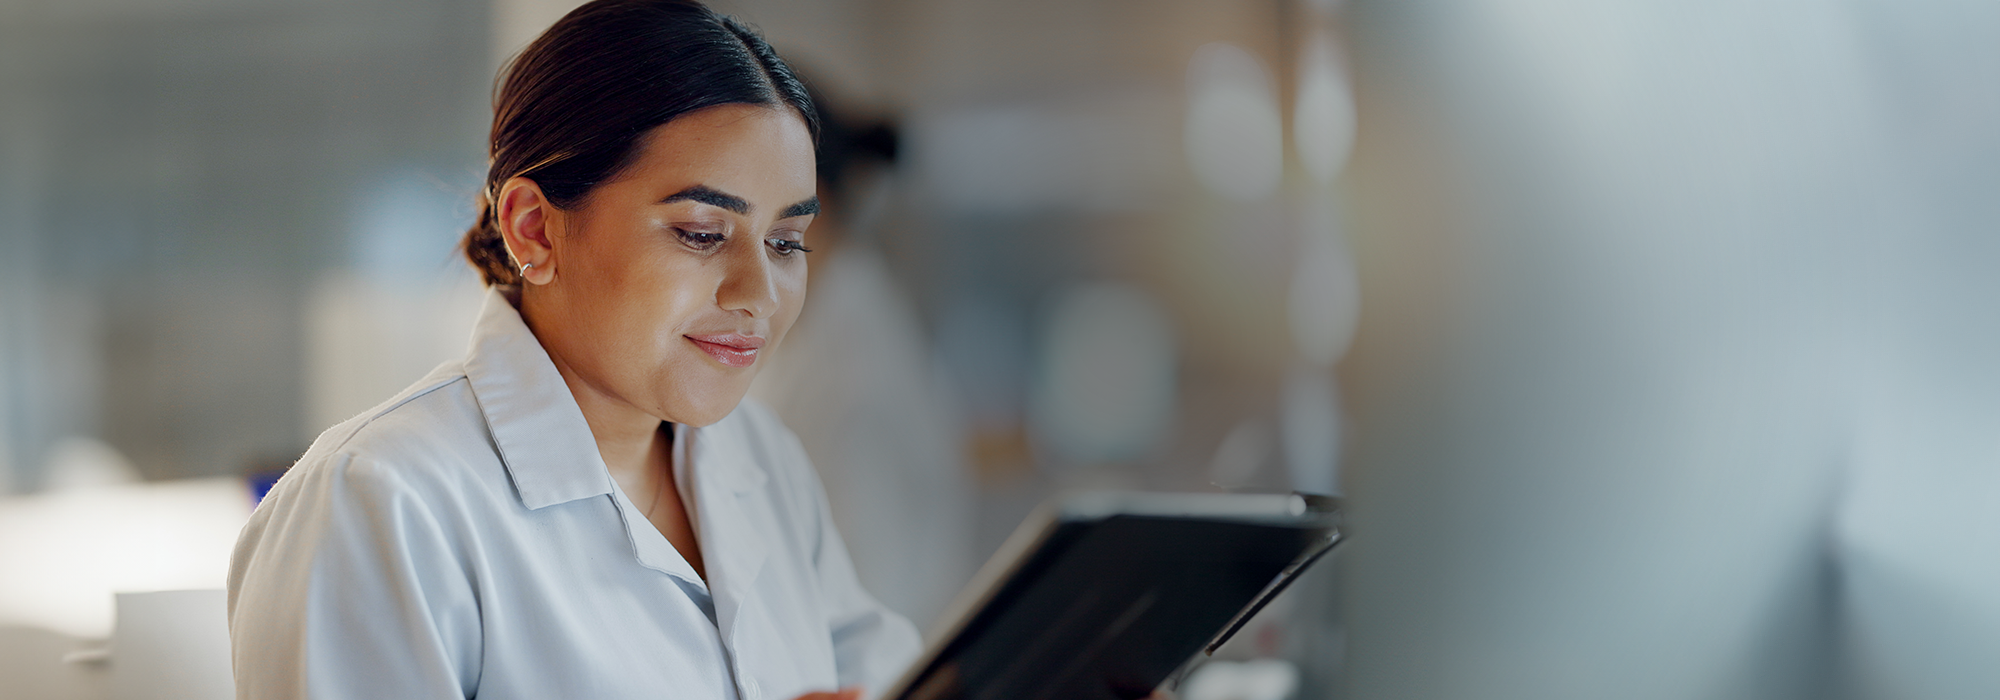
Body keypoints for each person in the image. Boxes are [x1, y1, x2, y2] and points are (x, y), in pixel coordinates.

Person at [226, 2, 920, 698]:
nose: (760, 294)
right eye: (702, 234)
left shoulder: (760, 460)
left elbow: (886, 673)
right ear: (534, 230)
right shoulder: (379, 502)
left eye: (785, 243)